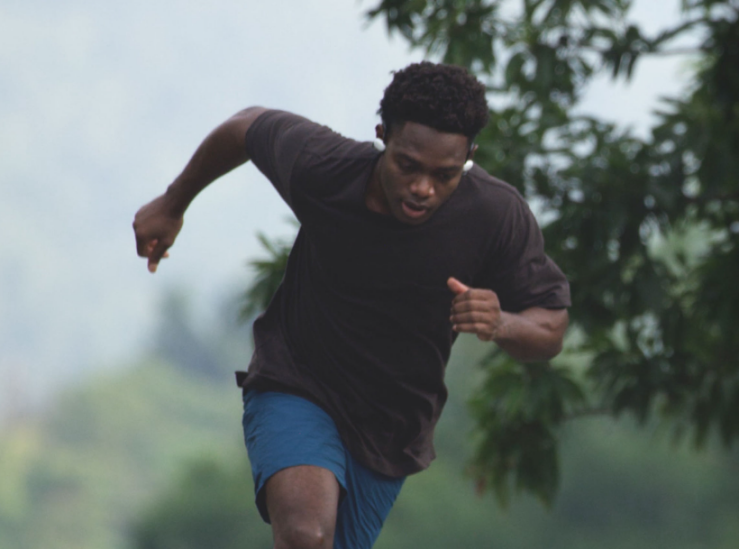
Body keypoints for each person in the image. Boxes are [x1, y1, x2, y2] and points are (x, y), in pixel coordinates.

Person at [133, 62, 570, 549]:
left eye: (445, 174)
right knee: (305, 534)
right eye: (408, 165)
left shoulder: (495, 214)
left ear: (470, 155)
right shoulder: (325, 168)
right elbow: (245, 127)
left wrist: (503, 323)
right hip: (297, 383)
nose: (423, 188)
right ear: (382, 135)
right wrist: (173, 204)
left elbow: (549, 328)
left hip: (391, 426)